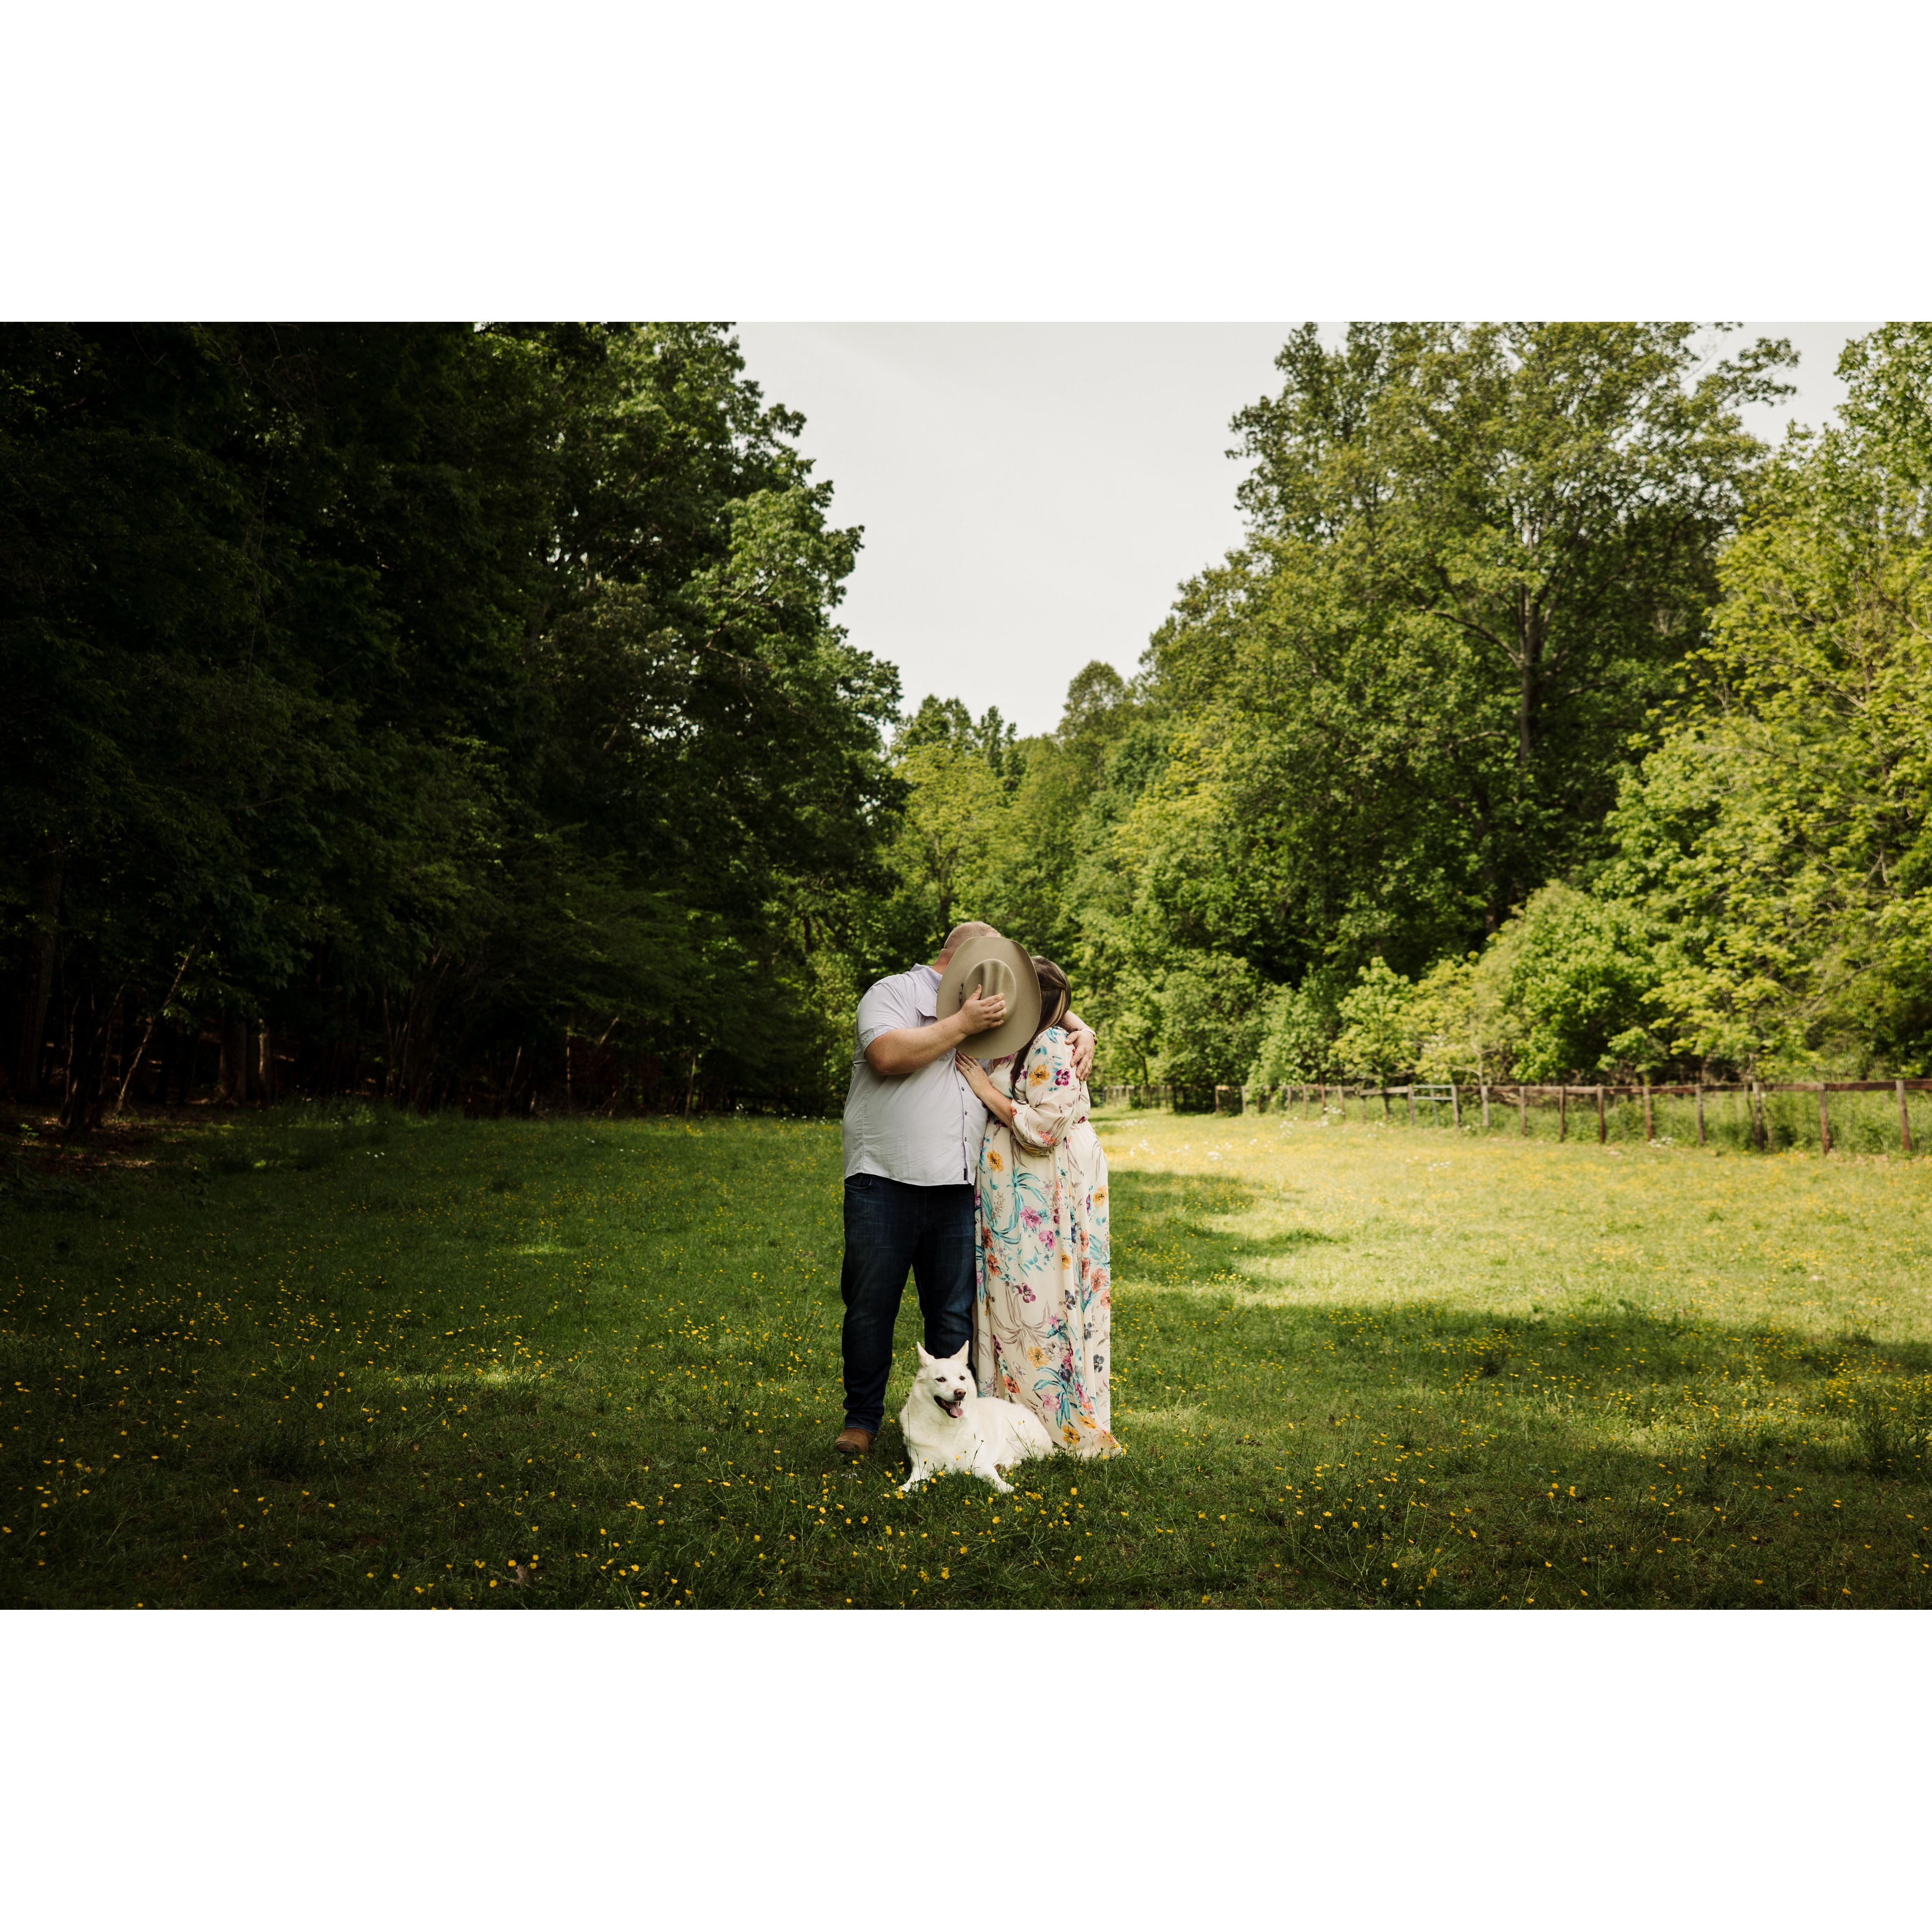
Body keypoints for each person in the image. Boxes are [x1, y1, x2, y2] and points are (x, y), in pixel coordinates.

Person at [835, 923, 1095, 1459]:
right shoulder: (894, 993)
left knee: (953, 1316)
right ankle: (861, 1421)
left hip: (959, 1189)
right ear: (962, 961)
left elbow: (1047, 992)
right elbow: (886, 1055)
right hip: (883, 1180)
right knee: (870, 1307)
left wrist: (1080, 1024)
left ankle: (957, 1424)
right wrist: (962, 1023)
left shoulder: (990, 1012)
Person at [955, 956, 1121, 1458]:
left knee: (1039, 1301)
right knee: (1016, 1301)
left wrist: (985, 1092)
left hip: (1042, 1194)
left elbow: (1046, 1130)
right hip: (1022, 1196)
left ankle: (1052, 1424)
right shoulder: (1025, 1042)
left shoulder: (1048, 1045)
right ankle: (1014, 1419)